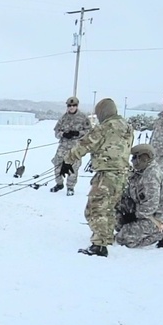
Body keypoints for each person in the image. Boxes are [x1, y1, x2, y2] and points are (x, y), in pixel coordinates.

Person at [60, 98, 134, 257]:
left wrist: (67, 160)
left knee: (95, 209)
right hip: (122, 174)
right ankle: (106, 237)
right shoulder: (127, 127)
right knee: (109, 208)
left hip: (107, 174)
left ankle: (99, 245)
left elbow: (85, 144)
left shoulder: (104, 127)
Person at [115, 144, 163, 248]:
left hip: (155, 219)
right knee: (115, 221)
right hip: (143, 214)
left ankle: (160, 234)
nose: (132, 161)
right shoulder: (140, 173)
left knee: (122, 239)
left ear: (144, 158)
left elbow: (150, 206)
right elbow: (128, 194)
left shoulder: (151, 176)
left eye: (135, 157)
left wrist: (134, 215)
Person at [50, 96, 92, 196]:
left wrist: (78, 133)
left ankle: (70, 187)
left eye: (74, 105)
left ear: (77, 106)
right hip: (63, 146)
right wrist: (63, 134)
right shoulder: (63, 118)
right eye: (69, 105)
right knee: (57, 165)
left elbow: (90, 132)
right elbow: (56, 132)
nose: (71, 107)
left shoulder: (83, 118)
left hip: (76, 147)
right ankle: (59, 184)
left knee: (73, 168)